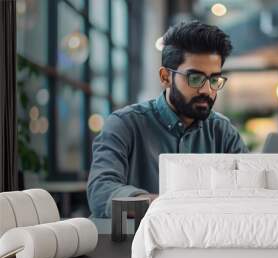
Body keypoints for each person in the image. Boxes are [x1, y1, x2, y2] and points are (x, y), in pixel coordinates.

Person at [87, 21, 249, 218]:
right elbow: (102, 193)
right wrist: (169, 205)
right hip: (133, 244)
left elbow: (249, 191)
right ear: (165, 77)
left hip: (203, 243)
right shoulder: (125, 124)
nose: (207, 90)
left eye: (214, 80)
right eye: (195, 79)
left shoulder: (223, 133)